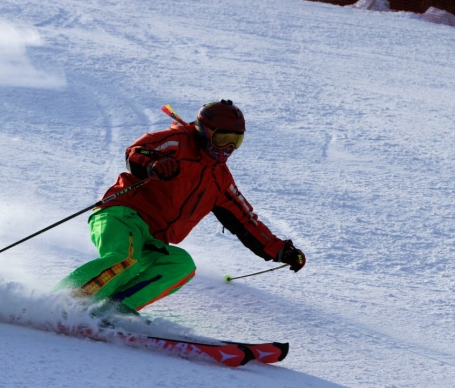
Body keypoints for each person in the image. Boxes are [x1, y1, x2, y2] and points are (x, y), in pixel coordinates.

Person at [52, 99, 305, 314]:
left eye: (236, 141)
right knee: (125, 258)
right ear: (205, 131)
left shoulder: (220, 180)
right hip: (122, 214)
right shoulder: (178, 141)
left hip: (154, 239)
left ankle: (115, 309)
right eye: (223, 138)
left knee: (181, 265)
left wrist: (281, 250)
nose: (228, 148)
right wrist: (154, 165)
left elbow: (246, 221)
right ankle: (63, 302)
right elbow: (138, 150)